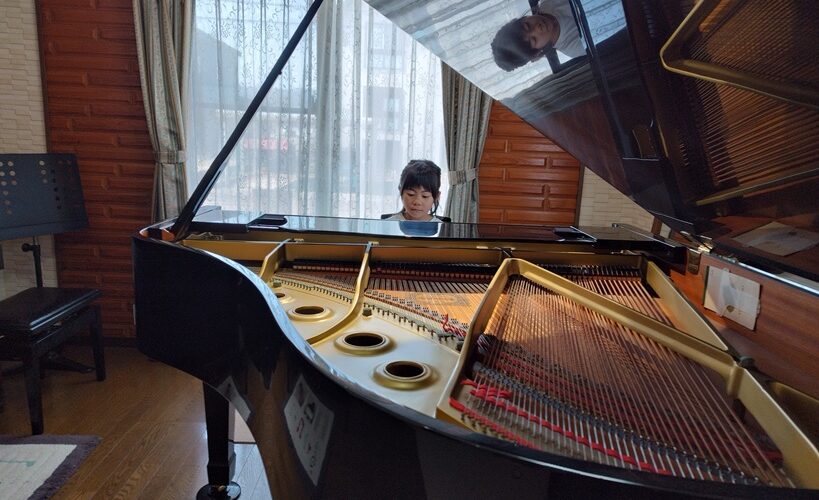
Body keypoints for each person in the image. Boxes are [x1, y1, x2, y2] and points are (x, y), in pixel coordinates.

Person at [491, 0, 585, 72]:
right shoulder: (575, 46)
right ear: (538, 52)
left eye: (527, 25)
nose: (538, 28)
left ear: (524, 18)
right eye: (534, 39)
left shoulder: (547, 2)